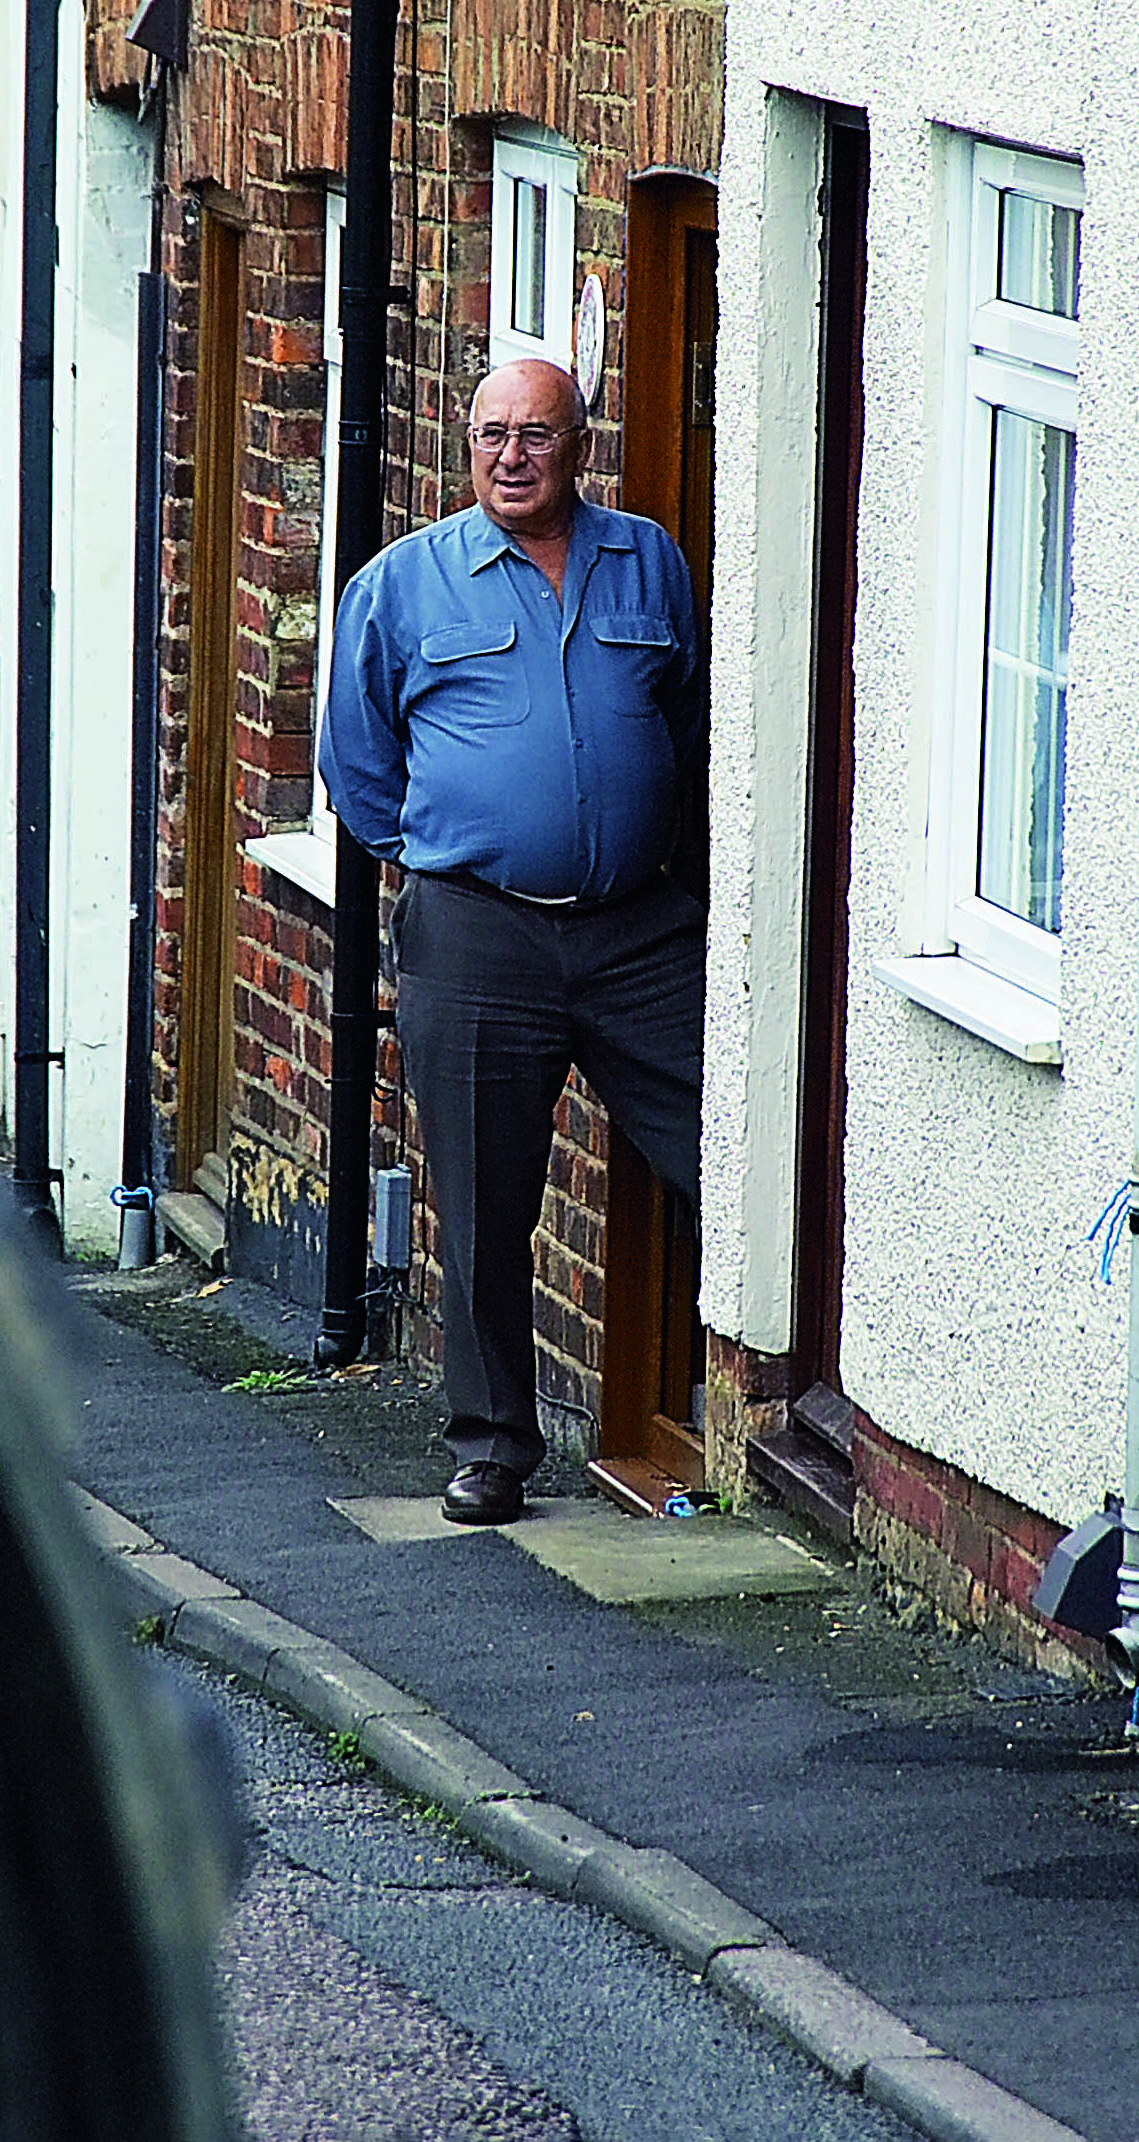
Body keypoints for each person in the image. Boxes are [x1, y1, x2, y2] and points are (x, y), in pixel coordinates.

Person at [320, 356, 704, 1526]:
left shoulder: (649, 561)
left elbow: (685, 722)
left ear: (579, 442)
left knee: (727, 1153)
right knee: (486, 1200)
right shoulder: (402, 587)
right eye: (492, 435)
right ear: (466, 443)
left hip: (644, 934)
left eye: (536, 434)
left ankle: (734, 1398)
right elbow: (358, 766)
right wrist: (467, 850)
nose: (511, 457)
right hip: (477, 935)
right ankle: (493, 1444)